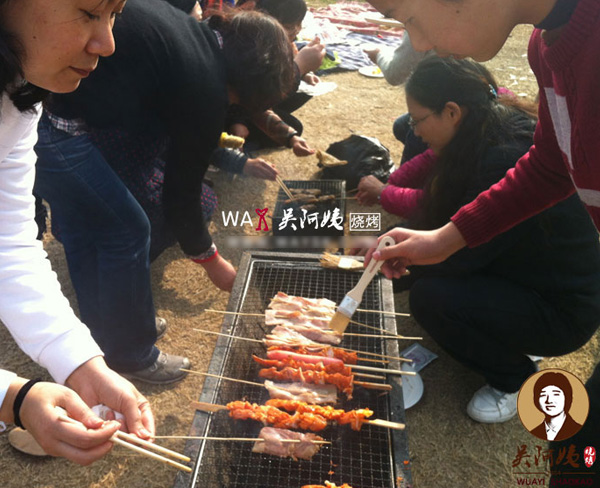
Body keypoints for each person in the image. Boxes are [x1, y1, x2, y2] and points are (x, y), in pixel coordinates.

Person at [362, 0, 600, 462]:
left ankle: (514, 378)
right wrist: (440, 239)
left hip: (562, 306)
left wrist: (434, 246)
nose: (419, 43)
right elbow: (549, 166)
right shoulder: (545, 43)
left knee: (578, 445)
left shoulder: (496, 149)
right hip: (525, 275)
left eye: (408, 16)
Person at [34, 0, 295, 384]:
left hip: (46, 115)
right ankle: (132, 355)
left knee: (87, 232)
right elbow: (181, 194)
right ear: (248, 82)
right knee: (127, 230)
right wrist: (211, 261)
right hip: (55, 130)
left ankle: (110, 331)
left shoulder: (193, 34)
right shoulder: (205, 82)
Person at [0, 0, 154, 465]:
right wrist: (14, 398)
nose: (106, 43)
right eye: (89, 12)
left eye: (114, 16)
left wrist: (80, 361)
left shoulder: (17, 95)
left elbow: (7, 239)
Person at [530, 372, 583, 441]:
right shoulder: (536, 430)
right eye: (543, 395)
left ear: (567, 397)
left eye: (555, 394)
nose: (549, 400)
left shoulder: (579, 431)